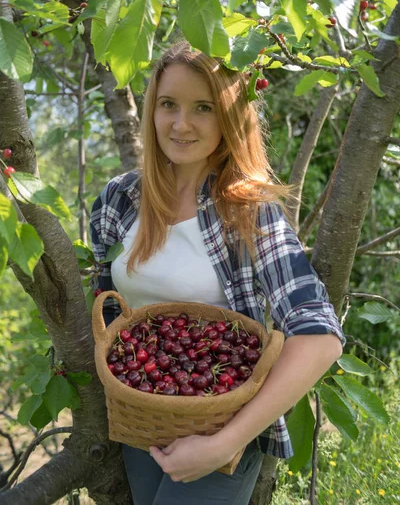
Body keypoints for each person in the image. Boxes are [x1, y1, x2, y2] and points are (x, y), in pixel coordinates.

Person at [89, 41, 346, 505]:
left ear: (229, 117)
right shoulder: (119, 199)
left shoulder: (248, 212)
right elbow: (105, 308)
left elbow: (319, 335)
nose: (180, 124)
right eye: (168, 104)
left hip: (222, 424)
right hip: (141, 417)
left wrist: (226, 442)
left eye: (203, 108)